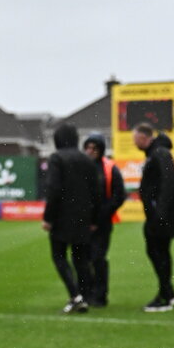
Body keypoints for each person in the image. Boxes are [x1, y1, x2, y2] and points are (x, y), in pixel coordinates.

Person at [42, 122, 101, 314]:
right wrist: (94, 219)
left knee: (59, 256)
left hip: (62, 217)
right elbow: (96, 192)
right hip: (83, 216)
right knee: (81, 259)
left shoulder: (57, 158)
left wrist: (48, 217)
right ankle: (84, 296)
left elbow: (53, 189)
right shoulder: (87, 160)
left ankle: (75, 296)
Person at [133, 122, 174, 312]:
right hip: (159, 213)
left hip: (161, 214)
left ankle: (164, 296)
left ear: (144, 138)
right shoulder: (157, 153)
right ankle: (168, 292)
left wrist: (160, 212)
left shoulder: (159, 154)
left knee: (158, 251)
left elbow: (169, 183)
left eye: (135, 139)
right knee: (157, 251)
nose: (134, 143)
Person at [82, 133, 126, 307]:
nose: (90, 151)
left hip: (102, 223)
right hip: (82, 223)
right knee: (82, 260)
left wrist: (99, 218)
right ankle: (86, 294)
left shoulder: (110, 168)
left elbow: (118, 196)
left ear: (101, 149)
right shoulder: (79, 167)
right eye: (88, 147)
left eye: (94, 148)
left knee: (98, 259)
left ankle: (100, 296)